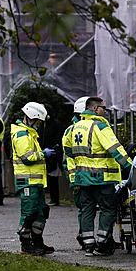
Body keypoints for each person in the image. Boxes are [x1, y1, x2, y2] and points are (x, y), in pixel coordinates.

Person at [66, 97, 131, 256]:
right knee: (108, 209)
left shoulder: (74, 127)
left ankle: (88, 245)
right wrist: (131, 167)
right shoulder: (100, 126)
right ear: (95, 109)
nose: (105, 111)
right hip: (103, 179)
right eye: (103, 108)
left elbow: (67, 150)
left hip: (83, 179)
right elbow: (115, 149)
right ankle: (102, 243)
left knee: (87, 209)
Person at [10, 102, 56, 256]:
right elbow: (28, 158)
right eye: (38, 122)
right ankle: (26, 243)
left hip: (36, 181)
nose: (39, 125)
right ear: (31, 119)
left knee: (41, 211)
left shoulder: (29, 134)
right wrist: (44, 154)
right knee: (29, 213)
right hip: (28, 181)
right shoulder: (22, 134)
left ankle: (37, 241)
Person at [62, 96, 89, 249]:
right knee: (85, 208)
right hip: (81, 176)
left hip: (81, 176)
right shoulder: (76, 130)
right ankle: (84, 235)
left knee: (86, 208)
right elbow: (68, 158)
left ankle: (85, 235)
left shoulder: (71, 130)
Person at [38, 103, 64, 206]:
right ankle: (49, 197)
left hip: (53, 154)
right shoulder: (41, 125)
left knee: (53, 177)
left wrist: (56, 152)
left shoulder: (55, 124)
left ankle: (55, 198)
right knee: (47, 177)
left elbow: (58, 139)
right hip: (44, 153)